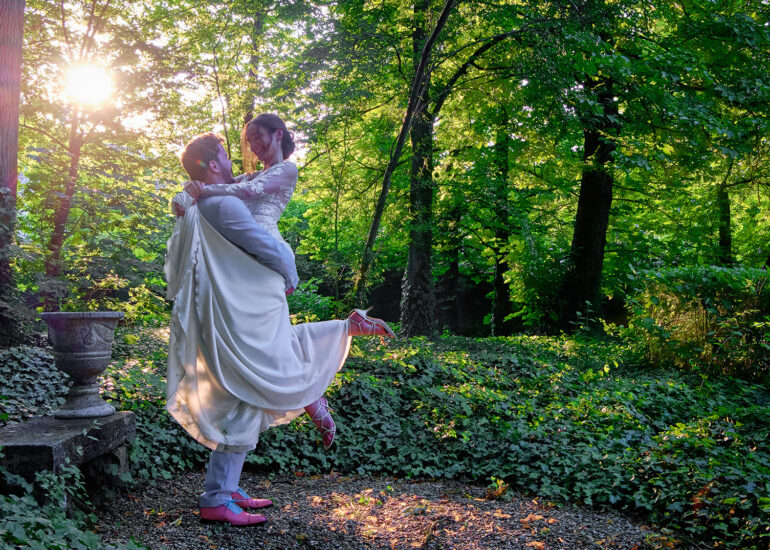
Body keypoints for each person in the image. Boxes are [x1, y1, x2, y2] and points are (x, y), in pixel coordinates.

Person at [165, 118, 394, 527]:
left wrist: (196, 190)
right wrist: (288, 270)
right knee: (253, 383)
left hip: (253, 295)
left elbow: (246, 195)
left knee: (263, 370)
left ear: (277, 137)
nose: (242, 151)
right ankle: (220, 496)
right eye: (230, 151)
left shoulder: (258, 179)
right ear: (213, 165)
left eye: (257, 138)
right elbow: (261, 241)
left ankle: (227, 487)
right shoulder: (222, 199)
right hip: (251, 297)